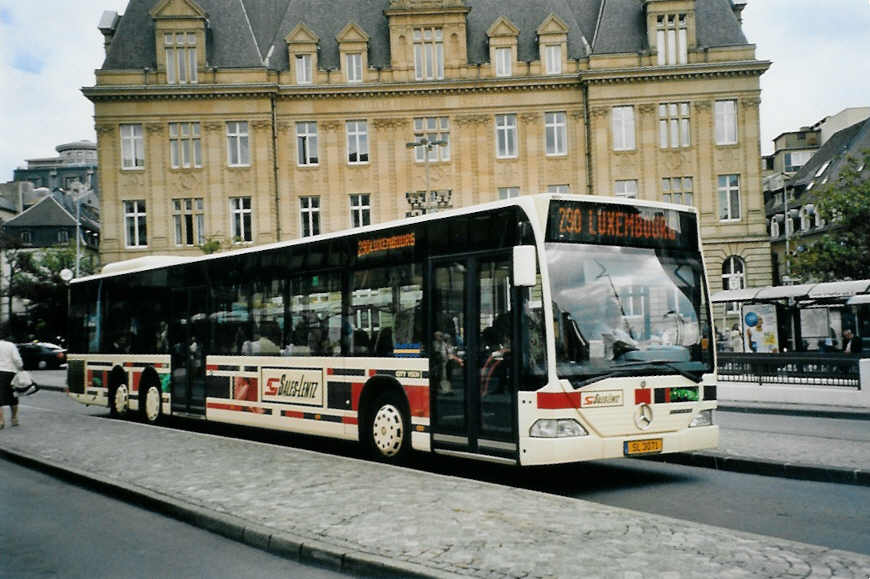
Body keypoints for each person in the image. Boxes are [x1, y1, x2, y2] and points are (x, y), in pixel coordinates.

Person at [0, 337, 24, 429]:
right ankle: (14, 418)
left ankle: (1, 421)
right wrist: (21, 367)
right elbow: (17, 359)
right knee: (13, 395)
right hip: (11, 372)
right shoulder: (10, 345)